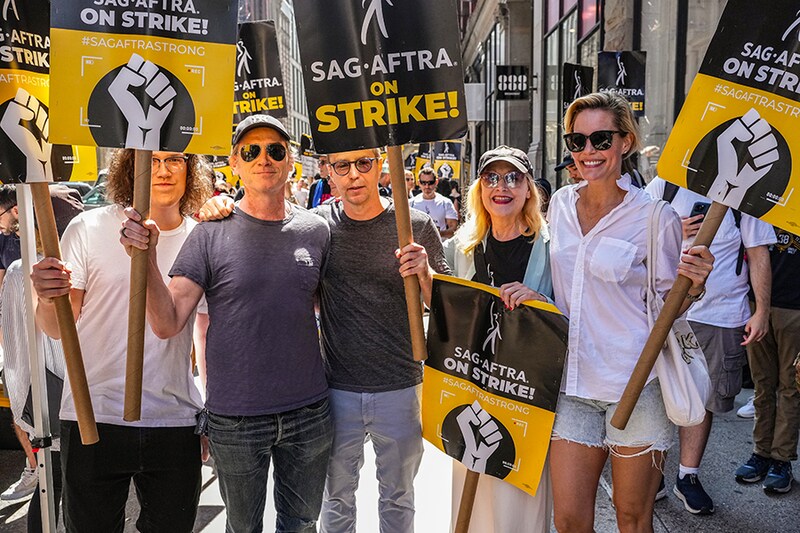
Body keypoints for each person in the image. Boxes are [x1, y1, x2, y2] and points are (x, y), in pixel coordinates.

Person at [197, 145, 450, 532]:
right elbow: (267, 233)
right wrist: (220, 207)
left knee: (399, 496)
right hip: (335, 389)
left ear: (380, 165)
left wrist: (426, 274)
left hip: (401, 385)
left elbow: (446, 309)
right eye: (343, 165)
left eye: (364, 163)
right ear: (328, 171)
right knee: (336, 498)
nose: (354, 174)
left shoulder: (413, 225)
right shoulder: (316, 226)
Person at [122, 114, 333, 533]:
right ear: (234, 163)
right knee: (242, 528)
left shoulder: (316, 230)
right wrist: (142, 259)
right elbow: (168, 322)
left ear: (290, 161)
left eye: (275, 150)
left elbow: (329, 308)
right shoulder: (209, 233)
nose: (263, 159)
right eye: (250, 151)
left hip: (309, 411)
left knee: (302, 524)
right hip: (235, 419)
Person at [547, 92, 714, 533]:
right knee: (567, 518)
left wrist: (694, 284)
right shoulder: (560, 204)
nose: (587, 152)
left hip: (636, 386)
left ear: (626, 142)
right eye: (577, 141)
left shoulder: (655, 217)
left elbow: (669, 307)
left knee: (633, 517)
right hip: (571, 384)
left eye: (601, 139)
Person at [30, 149, 212, 532]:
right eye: (153, 160)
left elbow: (205, 333)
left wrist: (210, 408)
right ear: (131, 168)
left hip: (174, 419)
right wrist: (47, 297)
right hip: (92, 417)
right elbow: (57, 326)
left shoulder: (203, 238)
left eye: (175, 159)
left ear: (190, 170)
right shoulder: (88, 228)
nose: (162, 170)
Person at [645, 177, 774, 514]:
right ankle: (652, 473)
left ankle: (687, 476)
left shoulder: (747, 189)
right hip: (666, 309)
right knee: (657, 394)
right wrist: (673, 230)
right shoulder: (666, 184)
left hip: (721, 313)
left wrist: (761, 310)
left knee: (704, 400)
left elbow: (758, 252)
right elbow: (635, 235)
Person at [442, 145, 553, 533]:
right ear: (479, 189)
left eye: (513, 177)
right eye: (491, 177)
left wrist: (541, 301)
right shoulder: (461, 247)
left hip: (526, 396)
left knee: (518, 502)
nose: (501, 186)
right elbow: (439, 306)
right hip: (472, 392)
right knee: (472, 502)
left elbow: (572, 312)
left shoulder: (551, 248)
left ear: (528, 190)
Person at [1, 185, 83, 531]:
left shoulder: (22, 269)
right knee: (64, 483)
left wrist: (22, 407)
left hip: (49, 392)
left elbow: (13, 345)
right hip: (64, 391)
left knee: (57, 483)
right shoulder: (27, 270)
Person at [734, 227, 800, 494]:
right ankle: (761, 452)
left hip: (795, 308)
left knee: (790, 387)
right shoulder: (767, 195)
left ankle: (781, 460)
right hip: (757, 303)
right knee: (762, 384)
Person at [409, 167, 459, 239]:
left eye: (430, 183)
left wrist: (438, 233)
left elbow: (454, 228)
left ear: (436, 182)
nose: (427, 186)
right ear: (419, 183)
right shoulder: (411, 203)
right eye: (423, 183)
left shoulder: (445, 202)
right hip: (418, 246)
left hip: (440, 246)